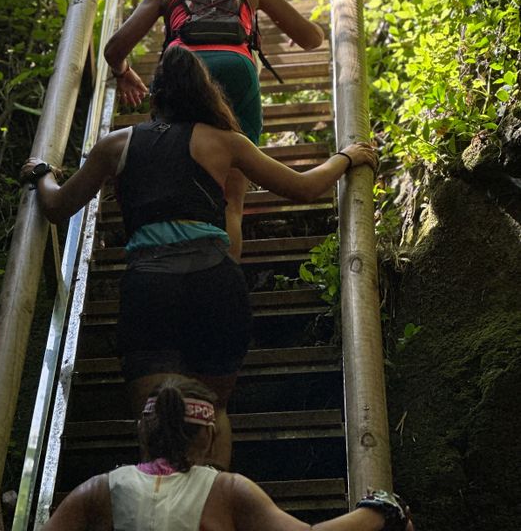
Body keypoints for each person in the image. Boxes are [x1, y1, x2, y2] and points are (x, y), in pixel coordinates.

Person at [19, 47, 377, 467]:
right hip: (214, 283)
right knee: (213, 412)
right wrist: (347, 157)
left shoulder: (116, 144)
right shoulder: (226, 142)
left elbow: (58, 207)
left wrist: (41, 173)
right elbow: (302, 188)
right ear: (205, 93)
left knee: (154, 415)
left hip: (151, 287)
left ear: (155, 95)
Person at [103, 0, 327, 258]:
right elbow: (310, 39)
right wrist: (317, 30)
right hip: (236, 68)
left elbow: (115, 48)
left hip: (179, 71)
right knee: (231, 200)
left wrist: (123, 73)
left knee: (175, 171)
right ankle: (225, 284)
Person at [0, 378, 412, 531]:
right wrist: (382, 510)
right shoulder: (229, 490)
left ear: (142, 434)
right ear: (207, 437)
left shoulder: (97, 489)